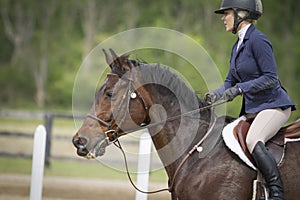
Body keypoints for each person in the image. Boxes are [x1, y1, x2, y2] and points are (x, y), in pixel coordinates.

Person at [205, 0, 296, 199]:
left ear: (241, 14)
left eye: (226, 13)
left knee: (253, 139)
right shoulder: (237, 45)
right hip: (254, 109)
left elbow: (271, 78)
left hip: (274, 106)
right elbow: (230, 81)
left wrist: (240, 89)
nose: (223, 18)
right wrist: (216, 93)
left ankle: (277, 192)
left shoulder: (258, 40)